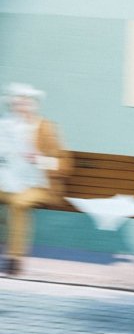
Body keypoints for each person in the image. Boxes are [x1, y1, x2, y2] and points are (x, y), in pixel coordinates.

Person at [0, 83, 72, 275]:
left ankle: (14, 258)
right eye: (17, 104)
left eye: (25, 103)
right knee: (14, 198)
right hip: (7, 182)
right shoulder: (4, 127)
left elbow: (65, 165)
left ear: (34, 105)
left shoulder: (45, 128)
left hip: (39, 186)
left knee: (18, 202)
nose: (21, 108)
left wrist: (39, 159)